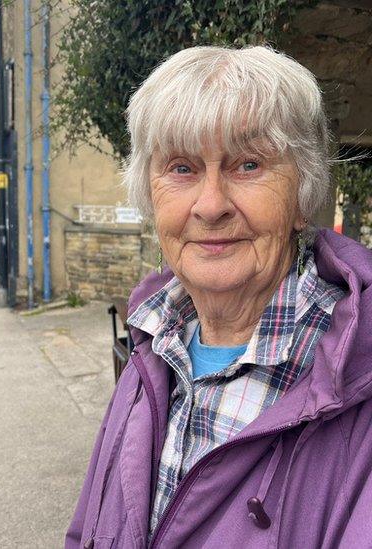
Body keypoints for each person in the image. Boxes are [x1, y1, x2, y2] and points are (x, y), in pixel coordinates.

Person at [67, 45, 372, 547]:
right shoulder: (153, 341)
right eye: (182, 168)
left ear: (302, 196)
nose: (210, 206)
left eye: (249, 164)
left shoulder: (354, 379)